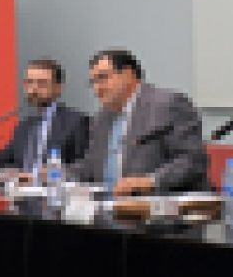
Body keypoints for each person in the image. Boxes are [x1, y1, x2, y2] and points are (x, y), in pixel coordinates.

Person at [68, 49, 209, 195]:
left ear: (128, 75)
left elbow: (193, 160)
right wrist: (61, 174)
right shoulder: (101, 118)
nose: (97, 88)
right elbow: (92, 165)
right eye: (93, 82)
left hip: (160, 202)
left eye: (102, 78)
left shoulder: (167, 105)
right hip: (108, 203)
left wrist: (150, 182)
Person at [0, 58, 89, 173]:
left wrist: (50, 173)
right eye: (29, 82)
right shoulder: (23, 127)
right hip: (22, 184)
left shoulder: (76, 122)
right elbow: (2, 158)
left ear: (58, 88)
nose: (34, 89)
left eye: (42, 83)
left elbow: (85, 167)